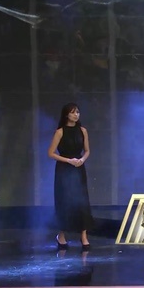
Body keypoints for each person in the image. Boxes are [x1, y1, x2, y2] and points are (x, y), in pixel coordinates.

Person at [47, 102, 94, 250]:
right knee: (65, 201)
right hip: (64, 169)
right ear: (66, 115)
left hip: (78, 168)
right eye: (73, 112)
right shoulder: (60, 132)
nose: (76, 115)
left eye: (77, 112)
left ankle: (84, 236)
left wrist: (82, 160)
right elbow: (50, 153)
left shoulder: (83, 131)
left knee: (82, 201)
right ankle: (61, 235)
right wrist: (68, 160)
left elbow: (87, 151)